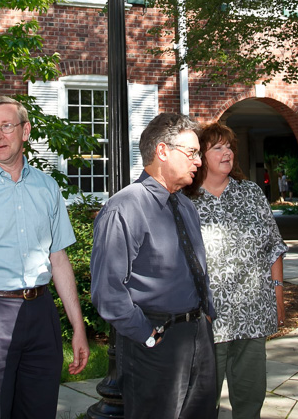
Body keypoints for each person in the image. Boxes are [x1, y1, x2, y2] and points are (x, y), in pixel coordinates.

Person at [0, 96, 90, 419]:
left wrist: (78, 327)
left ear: (25, 131)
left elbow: (59, 259)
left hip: (41, 313)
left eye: (6, 127)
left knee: (39, 410)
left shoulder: (47, 188)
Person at [90, 112, 218, 419]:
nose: (198, 162)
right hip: (154, 341)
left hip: (198, 337)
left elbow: (197, 268)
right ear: (162, 151)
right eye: (191, 153)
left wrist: (208, 315)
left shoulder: (185, 205)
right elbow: (108, 291)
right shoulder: (124, 208)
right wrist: (146, 333)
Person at [186, 122, 287, 419]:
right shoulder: (185, 200)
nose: (227, 151)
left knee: (250, 401)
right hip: (207, 321)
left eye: (229, 146)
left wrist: (278, 295)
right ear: (201, 156)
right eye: (217, 147)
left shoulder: (251, 193)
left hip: (252, 316)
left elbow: (274, 247)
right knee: (202, 404)